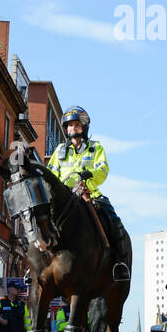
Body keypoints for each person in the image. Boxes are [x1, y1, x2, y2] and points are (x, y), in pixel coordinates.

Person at [46, 107, 131, 281]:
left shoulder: (96, 148)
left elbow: (103, 169)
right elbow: (51, 174)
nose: (72, 128)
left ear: (84, 127)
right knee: (40, 220)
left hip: (89, 194)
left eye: (76, 125)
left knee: (115, 222)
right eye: (69, 125)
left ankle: (119, 265)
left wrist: (90, 175)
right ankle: (36, 266)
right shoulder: (59, 151)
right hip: (64, 198)